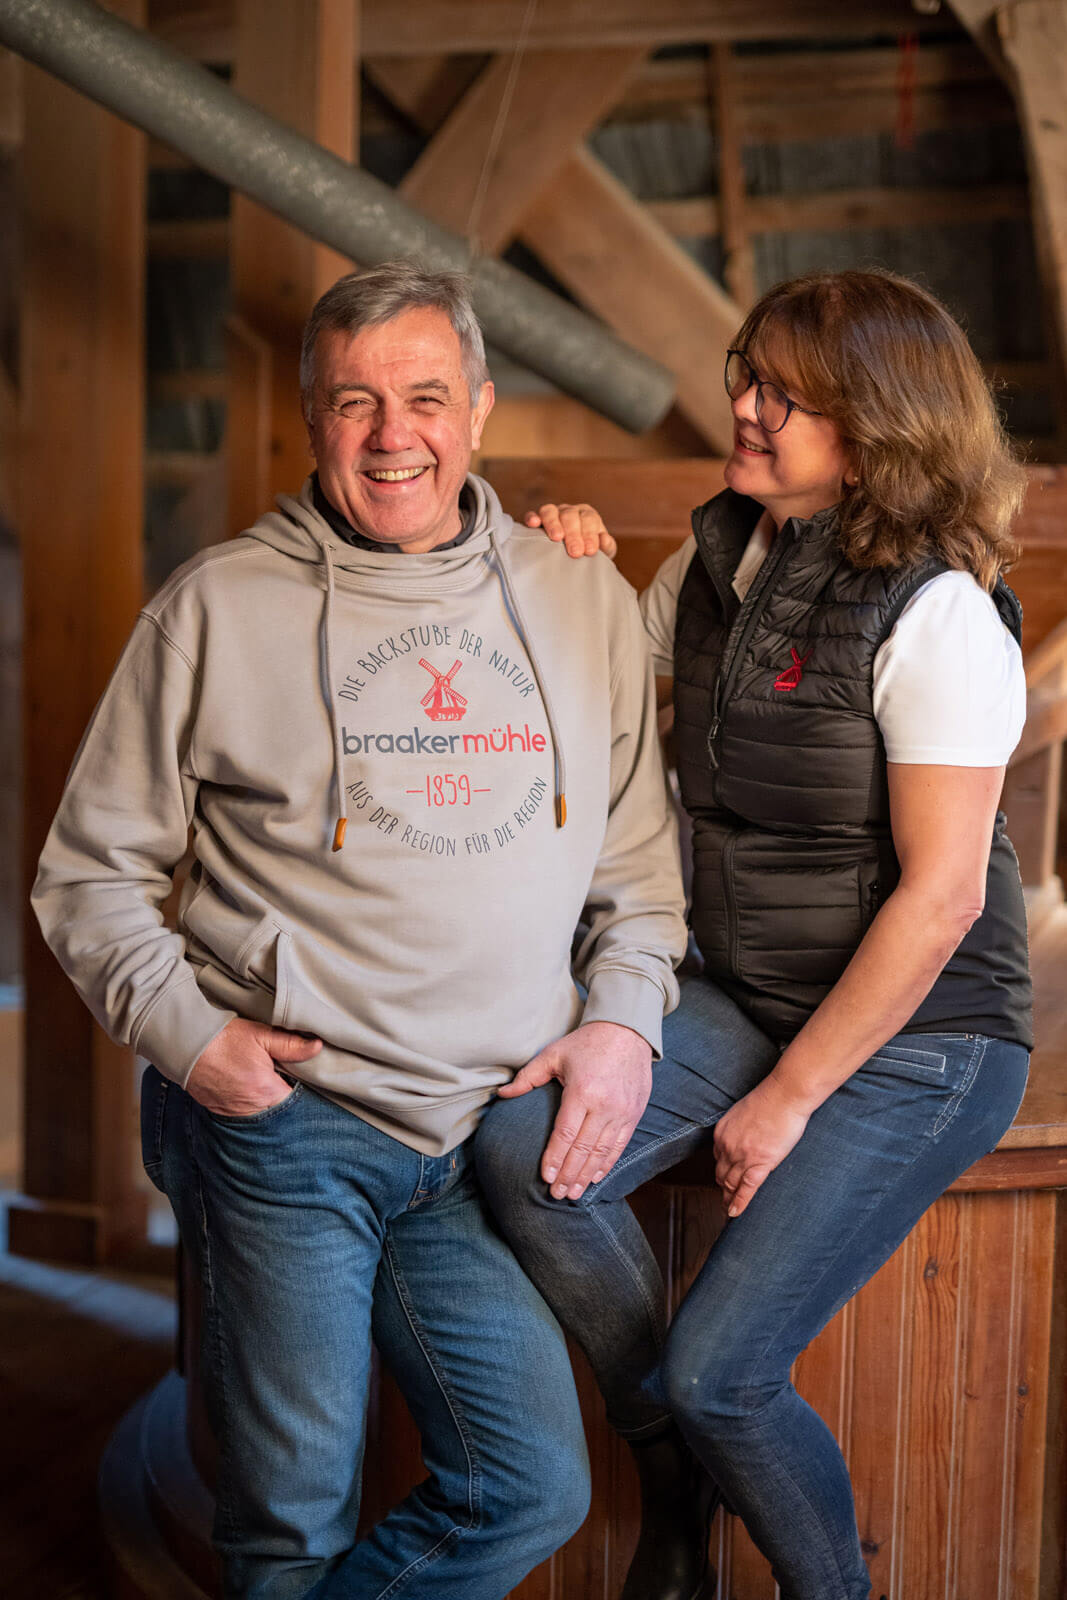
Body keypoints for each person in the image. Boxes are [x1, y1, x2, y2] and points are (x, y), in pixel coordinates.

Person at [32, 260, 688, 1600]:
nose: (394, 434)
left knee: (531, 1489)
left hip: (481, 1136)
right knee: (287, 1514)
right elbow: (86, 875)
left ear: (482, 411)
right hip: (294, 1121)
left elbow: (637, 866)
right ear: (312, 422)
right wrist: (199, 1043)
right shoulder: (216, 609)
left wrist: (622, 1022)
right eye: (355, 402)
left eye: (426, 397)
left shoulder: (581, 598)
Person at [476, 268, 1033, 1600]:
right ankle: (669, 1467)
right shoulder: (717, 557)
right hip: (743, 986)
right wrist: (567, 577)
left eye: (789, 394)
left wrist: (785, 1102)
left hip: (926, 1032)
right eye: (749, 377)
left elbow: (943, 897)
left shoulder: (940, 615)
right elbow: (599, 689)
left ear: (881, 423)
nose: (747, 408)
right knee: (519, 1151)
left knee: (730, 1372)